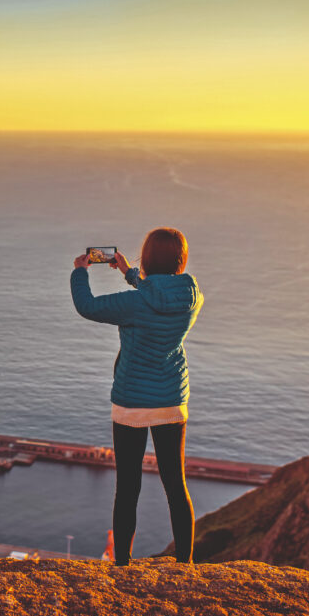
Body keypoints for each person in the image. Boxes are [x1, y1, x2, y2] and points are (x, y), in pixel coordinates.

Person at [70, 228, 203, 566]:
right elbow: (158, 295)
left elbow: (87, 306)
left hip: (131, 402)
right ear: (181, 260)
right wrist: (130, 273)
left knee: (128, 487)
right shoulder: (192, 297)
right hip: (172, 399)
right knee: (176, 484)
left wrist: (80, 272)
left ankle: (123, 564)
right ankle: (185, 561)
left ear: (147, 258)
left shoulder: (133, 303)